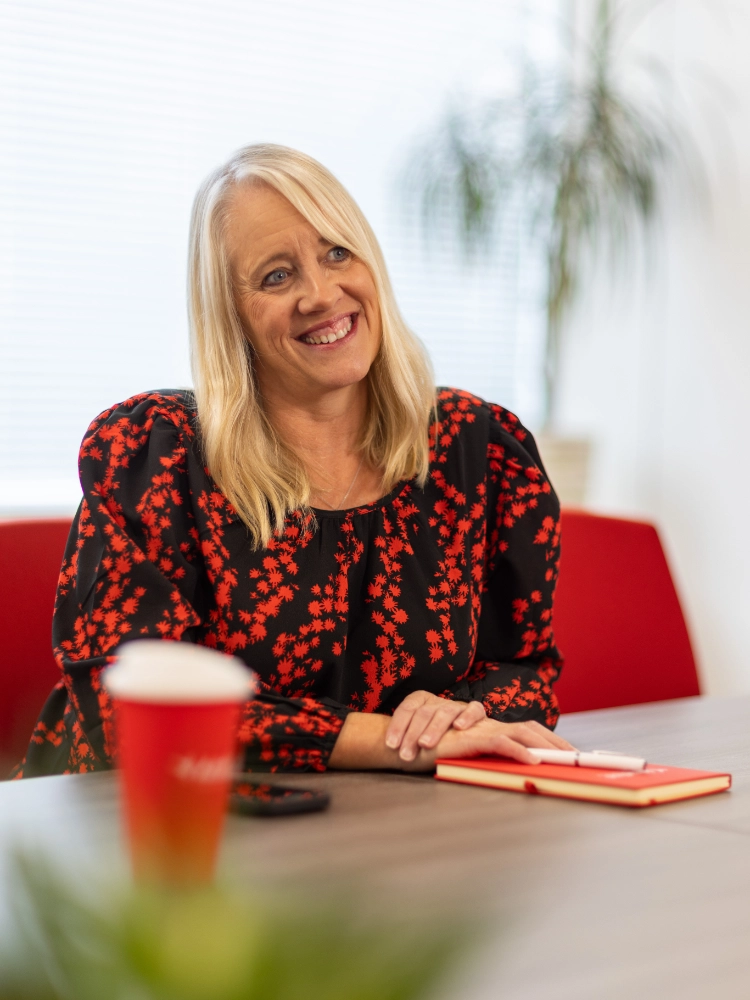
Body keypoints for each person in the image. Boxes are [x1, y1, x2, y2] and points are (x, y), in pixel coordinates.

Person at [17, 144, 573, 779]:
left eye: (337, 251)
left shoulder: (477, 449)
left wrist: (457, 715)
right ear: (233, 315)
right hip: (145, 835)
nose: (321, 293)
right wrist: (391, 739)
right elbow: (133, 713)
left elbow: (526, 670)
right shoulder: (157, 457)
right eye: (276, 276)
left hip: (383, 829)